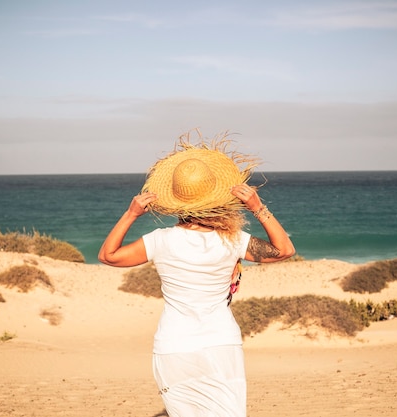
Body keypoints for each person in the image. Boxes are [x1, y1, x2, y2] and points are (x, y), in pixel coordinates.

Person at [98, 133, 295, 417]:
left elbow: (108, 256)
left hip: (174, 346)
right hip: (220, 344)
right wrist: (257, 207)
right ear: (217, 197)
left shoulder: (160, 240)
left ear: (176, 202)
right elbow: (284, 250)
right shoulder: (233, 240)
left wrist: (130, 214)